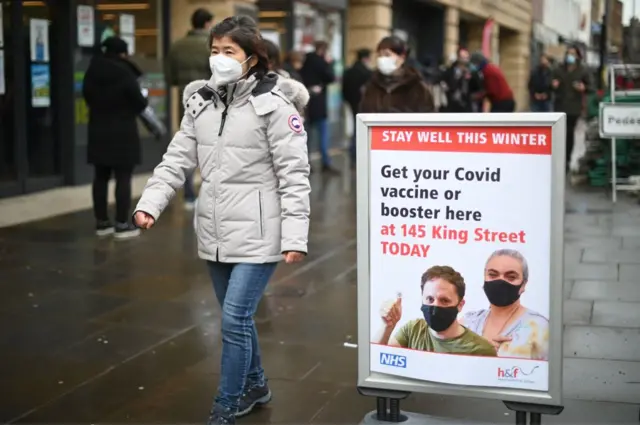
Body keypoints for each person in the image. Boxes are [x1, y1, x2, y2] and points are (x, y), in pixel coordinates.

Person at [133, 16, 311, 424]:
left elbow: (295, 175)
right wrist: (150, 204)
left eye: (228, 51)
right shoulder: (201, 102)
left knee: (233, 319)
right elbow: (177, 160)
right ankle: (257, 384)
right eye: (214, 51)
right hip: (214, 229)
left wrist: (295, 237)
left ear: (251, 58)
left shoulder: (276, 106)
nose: (219, 59)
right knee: (238, 318)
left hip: (261, 232)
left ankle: (227, 403)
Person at [83, 36, 148, 239]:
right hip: (123, 131)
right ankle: (121, 223)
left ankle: (102, 222)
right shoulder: (125, 72)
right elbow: (139, 103)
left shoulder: (92, 70)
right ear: (122, 53)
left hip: (98, 129)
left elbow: (87, 97)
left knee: (100, 176)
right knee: (123, 177)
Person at [374, 266, 497, 356]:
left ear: (460, 305)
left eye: (444, 300)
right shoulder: (413, 330)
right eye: (430, 299)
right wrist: (387, 326)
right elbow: (376, 360)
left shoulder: (481, 350)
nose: (435, 306)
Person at [165, 8, 214, 210]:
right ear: (207, 24)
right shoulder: (210, 46)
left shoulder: (177, 46)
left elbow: (171, 78)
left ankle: (188, 195)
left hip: (185, 101)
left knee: (188, 146)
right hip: (210, 101)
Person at [461, 249, 549, 361]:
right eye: (493, 275)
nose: (500, 282)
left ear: (523, 285)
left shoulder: (539, 328)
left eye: (511, 277)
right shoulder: (469, 322)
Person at [359, 36, 435, 114]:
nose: (382, 59)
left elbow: (428, 118)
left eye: (387, 55)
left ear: (401, 58)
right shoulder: (372, 86)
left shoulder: (417, 87)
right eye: (379, 55)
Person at [300, 41, 338, 174]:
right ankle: (325, 163)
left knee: (307, 136)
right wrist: (329, 63)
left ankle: (307, 162)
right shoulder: (321, 62)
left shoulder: (306, 61)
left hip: (306, 103)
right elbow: (331, 77)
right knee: (323, 134)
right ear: (323, 50)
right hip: (319, 104)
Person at [551, 45, 592, 171]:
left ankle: (566, 160)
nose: (570, 56)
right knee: (558, 134)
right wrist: (553, 85)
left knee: (569, 134)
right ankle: (557, 159)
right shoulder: (558, 69)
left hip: (574, 108)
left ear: (577, 56)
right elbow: (549, 84)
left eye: (573, 54)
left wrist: (583, 88)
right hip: (559, 106)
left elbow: (591, 87)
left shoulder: (582, 70)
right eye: (568, 53)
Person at [342, 48, 373, 165]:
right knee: (361, 130)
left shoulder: (348, 71)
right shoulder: (367, 73)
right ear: (366, 58)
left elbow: (344, 89)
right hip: (363, 105)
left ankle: (352, 153)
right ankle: (357, 155)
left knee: (355, 128)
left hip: (351, 103)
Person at [441, 48, 474, 113]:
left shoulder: (472, 72)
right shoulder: (449, 71)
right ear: (458, 58)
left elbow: (476, 88)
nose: (464, 60)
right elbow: (443, 82)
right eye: (462, 57)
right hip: (451, 107)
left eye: (466, 58)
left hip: (466, 108)